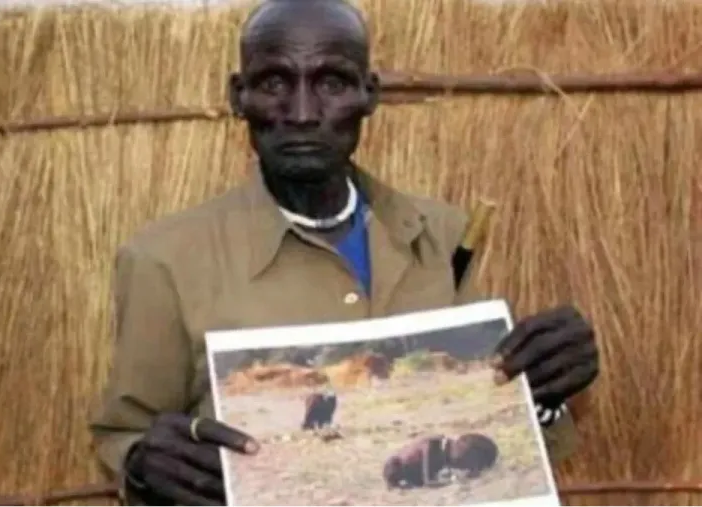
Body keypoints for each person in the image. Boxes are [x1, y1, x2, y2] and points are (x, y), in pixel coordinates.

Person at [89, 0, 600, 504]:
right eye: (274, 83)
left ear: (368, 94)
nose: (304, 113)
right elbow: (124, 434)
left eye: (331, 82)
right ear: (238, 96)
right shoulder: (164, 260)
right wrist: (141, 466)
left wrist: (545, 394)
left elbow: (488, 423)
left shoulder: (444, 237)